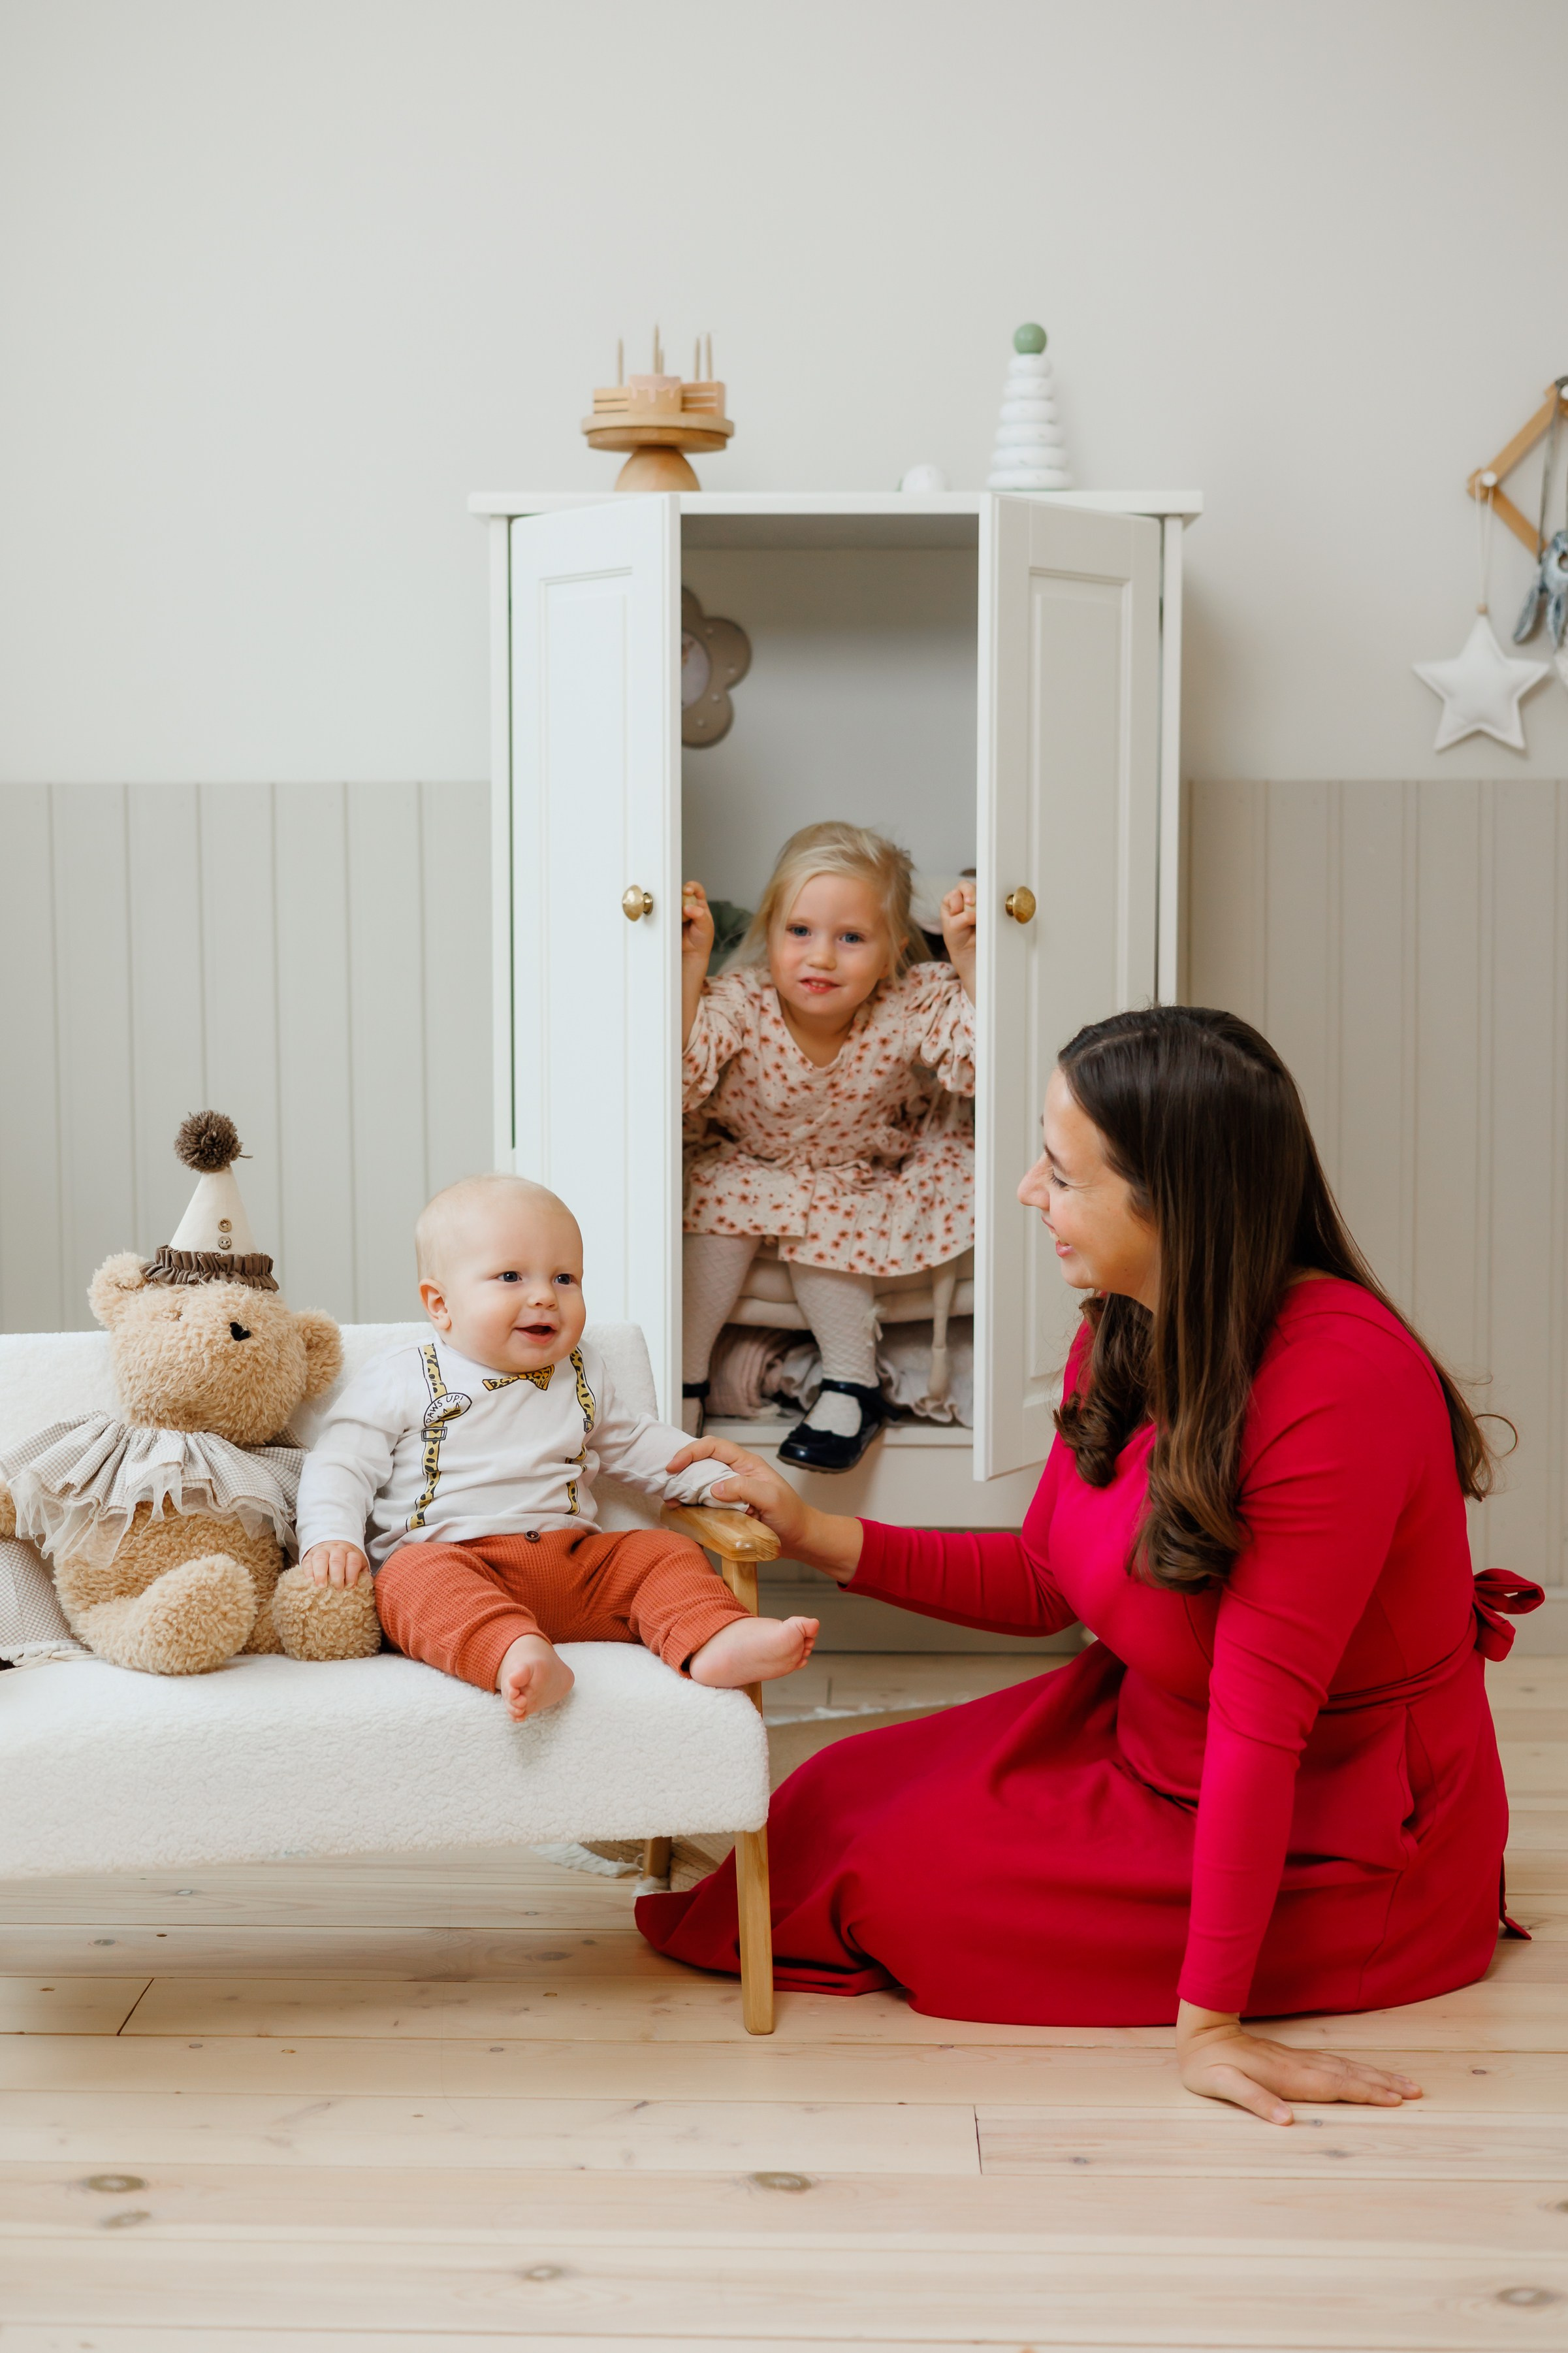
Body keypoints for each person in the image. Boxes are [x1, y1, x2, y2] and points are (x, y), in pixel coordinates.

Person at [639, 1006, 1542, 2126]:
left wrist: (1209, 2022)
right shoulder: (1123, 1320)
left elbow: (1262, 1726)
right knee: (826, 1800)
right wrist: (812, 1528)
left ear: (1172, 1202)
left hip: (1326, 1820)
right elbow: (1048, 1580)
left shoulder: (1341, 1389)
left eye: (1061, 1172)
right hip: (1150, 1732)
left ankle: (1334, 1941)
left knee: (901, 1888)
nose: (1025, 1190)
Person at [295, 1174, 818, 1721]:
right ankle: (513, 1652)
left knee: (661, 1552)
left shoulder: (582, 1369)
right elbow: (341, 1463)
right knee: (406, 1578)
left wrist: (715, 1481)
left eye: (565, 1278)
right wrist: (330, 1537)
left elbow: (637, 1443)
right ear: (440, 1304)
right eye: (511, 1276)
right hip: (460, 1561)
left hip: (575, 1569)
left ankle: (713, 1638)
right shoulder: (403, 1376)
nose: (545, 1295)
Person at [681, 821, 978, 1473]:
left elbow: (979, 1059)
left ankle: (851, 1384)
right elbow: (676, 1074)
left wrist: (969, 961)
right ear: (769, 931)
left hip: (854, 1170)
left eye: (850, 938)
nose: (820, 957)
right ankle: (686, 1379)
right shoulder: (738, 999)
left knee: (833, 1207)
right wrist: (690, 965)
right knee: (714, 1195)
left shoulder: (910, 999)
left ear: (891, 950)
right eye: (800, 932)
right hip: (750, 1160)